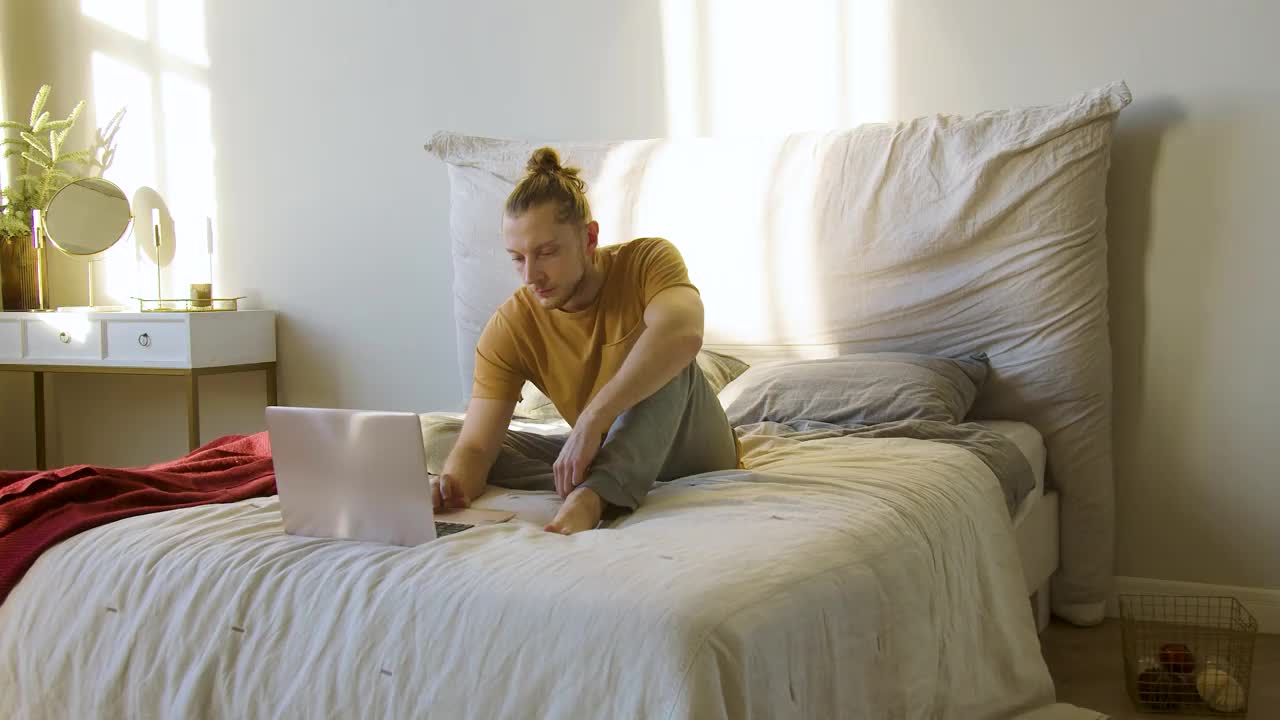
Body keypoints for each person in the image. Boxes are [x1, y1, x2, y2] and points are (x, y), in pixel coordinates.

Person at [424, 146, 738, 534]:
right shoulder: (511, 325)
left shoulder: (647, 261)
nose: (530, 276)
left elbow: (684, 333)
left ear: (589, 238)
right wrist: (454, 485)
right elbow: (475, 447)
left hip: (692, 450)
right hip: (606, 449)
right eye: (518, 258)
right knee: (439, 438)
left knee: (669, 362)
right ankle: (603, 481)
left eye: (547, 253)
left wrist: (593, 417)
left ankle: (591, 498)